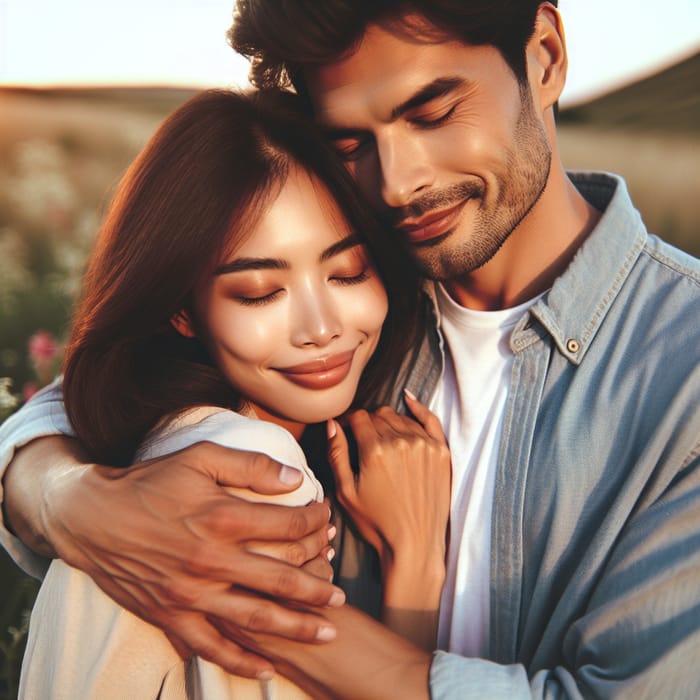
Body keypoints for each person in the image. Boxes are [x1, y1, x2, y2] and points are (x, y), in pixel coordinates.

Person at [1, 0, 699, 696]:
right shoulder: (368, 308)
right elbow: (125, 384)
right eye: (349, 143)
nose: (397, 183)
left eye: (432, 112)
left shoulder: (682, 367)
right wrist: (70, 495)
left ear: (544, 56)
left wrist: (198, 574)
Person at [17, 87, 451, 698]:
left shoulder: (148, 447)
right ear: (182, 312)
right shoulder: (252, 476)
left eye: (347, 272)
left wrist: (53, 486)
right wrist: (417, 570)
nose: (320, 327)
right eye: (259, 291)